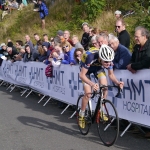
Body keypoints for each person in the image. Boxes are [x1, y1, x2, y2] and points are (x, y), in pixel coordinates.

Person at [78, 44, 124, 128]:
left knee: (105, 88)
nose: (108, 63)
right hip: (85, 71)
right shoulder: (90, 57)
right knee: (88, 94)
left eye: (110, 61)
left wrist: (118, 83)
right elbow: (82, 75)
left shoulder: (108, 60)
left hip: (98, 68)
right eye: (106, 61)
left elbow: (111, 75)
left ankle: (102, 110)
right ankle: (81, 115)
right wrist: (92, 84)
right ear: (100, 57)